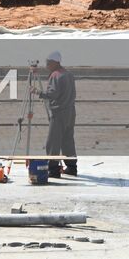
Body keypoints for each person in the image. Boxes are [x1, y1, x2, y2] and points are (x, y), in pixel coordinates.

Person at [37, 50, 77, 178]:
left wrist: (38, 92)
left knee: (53, 141)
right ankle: (71, 167)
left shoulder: (55, 75)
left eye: (48, 63)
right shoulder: (69, 74)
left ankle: (53, 169)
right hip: (70, 112)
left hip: (59, 112)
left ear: (55, 62)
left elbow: (52, 94)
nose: (46, 66)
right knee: (68, 140)